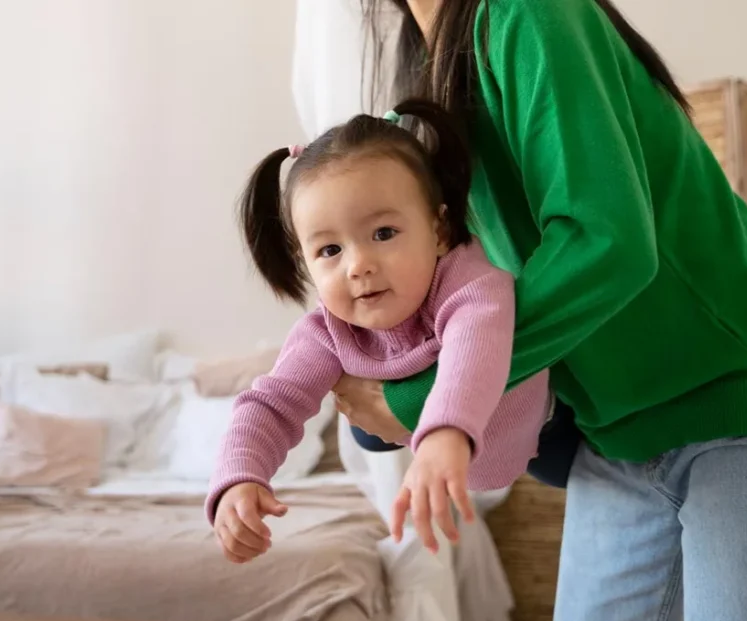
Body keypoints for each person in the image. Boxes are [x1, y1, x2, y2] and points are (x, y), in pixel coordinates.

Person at [326, 0, 747, 621]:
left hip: (736, 402)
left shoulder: (527, 13)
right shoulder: (424, 88)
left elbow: (608, 242)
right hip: (613, 435)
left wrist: (427, 396)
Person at [205, 99, 552, 562]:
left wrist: (443, 433)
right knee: (362, 429)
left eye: (384, 233)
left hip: (555, 429)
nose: (358, 265)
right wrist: (239, 477)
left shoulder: (470, 282)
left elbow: (475, 349)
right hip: (472, 453)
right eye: (329, 250)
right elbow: (270, 403)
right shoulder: (327, 332)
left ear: (440, 231)